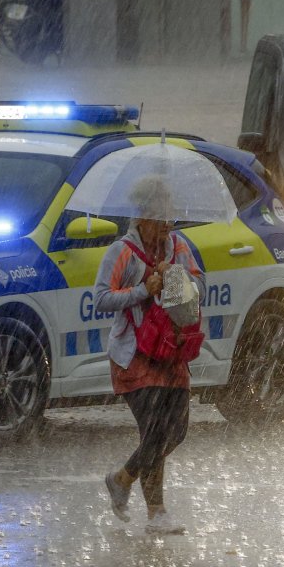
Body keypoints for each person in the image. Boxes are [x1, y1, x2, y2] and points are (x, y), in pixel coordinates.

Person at [96, 176, 205, 535]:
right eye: (160, 216)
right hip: (135, 355)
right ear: (142, 215)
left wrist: (175, 277)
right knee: (155, 429)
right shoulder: (122, 252)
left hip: (172, 350)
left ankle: (122, 479)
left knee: (177, 431)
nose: (167, 223)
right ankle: (157, 513)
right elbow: (102, 298)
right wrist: (143, 289)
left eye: (170, 215)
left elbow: (201, 286)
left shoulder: (178, 247)